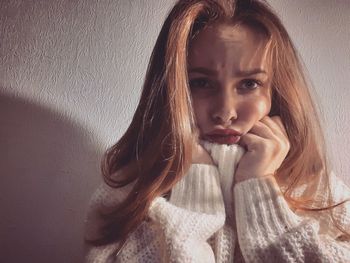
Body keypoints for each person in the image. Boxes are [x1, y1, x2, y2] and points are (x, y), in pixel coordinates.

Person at [84, 0, 350, 262]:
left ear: (276, 92)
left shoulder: (313, 184)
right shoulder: (131, 186)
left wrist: (259, 189)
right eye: (201, 82)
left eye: (249, 83)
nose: (226, 112)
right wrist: (196, 190)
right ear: (170, 89)